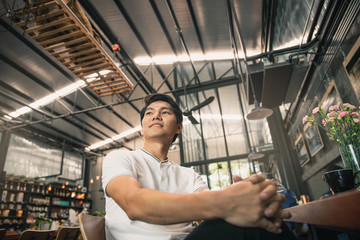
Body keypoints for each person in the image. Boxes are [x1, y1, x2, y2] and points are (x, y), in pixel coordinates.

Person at [102, 93, 297, 240]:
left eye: (165, 112)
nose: (156, 116)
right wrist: (228, 201)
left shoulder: (189, 174)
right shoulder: (120, 158)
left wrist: (242, 195)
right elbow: (133, 203)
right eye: (150, 113)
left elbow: (206, 200)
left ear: (179, 127)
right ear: (142, 127)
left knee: (260, 217)